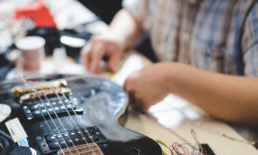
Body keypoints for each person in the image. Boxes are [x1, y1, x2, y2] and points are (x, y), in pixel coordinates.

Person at [80, 0, 258, 126]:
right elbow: (136, 13)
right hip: (173, 120)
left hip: (232, 140)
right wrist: (117, 35)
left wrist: (173, 78)